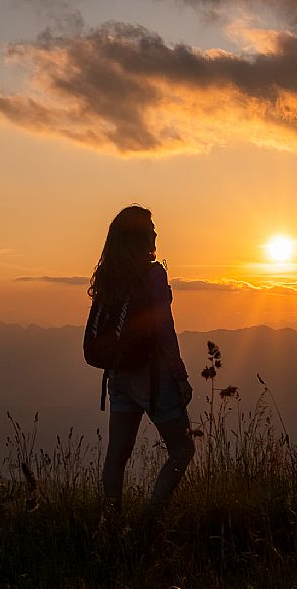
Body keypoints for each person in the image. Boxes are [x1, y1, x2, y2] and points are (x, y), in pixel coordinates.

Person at [87, 205, 195, 525]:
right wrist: (180, 376)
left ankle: (111, 525)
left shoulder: (109, 276)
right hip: (153, 377)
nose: (156, 233)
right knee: (182, 449)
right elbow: (164, 328)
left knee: (117, 454)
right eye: (151, 228)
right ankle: (150, 520)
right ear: (140, 236)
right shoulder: (153, 274)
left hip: (118, 376)